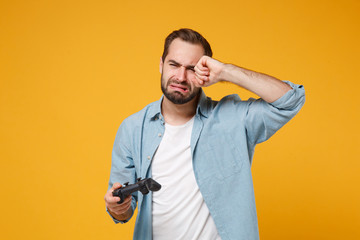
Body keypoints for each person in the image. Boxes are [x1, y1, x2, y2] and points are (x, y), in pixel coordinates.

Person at [104, 28, 305, 240]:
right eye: (174, 65)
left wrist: (227, 71)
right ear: (161, 64)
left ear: (205, 71)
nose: (180, 77)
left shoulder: (232, 118)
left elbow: (290, 101)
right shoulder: (133, 128)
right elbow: (123, 210)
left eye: (192, 69)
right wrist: (117, 207)